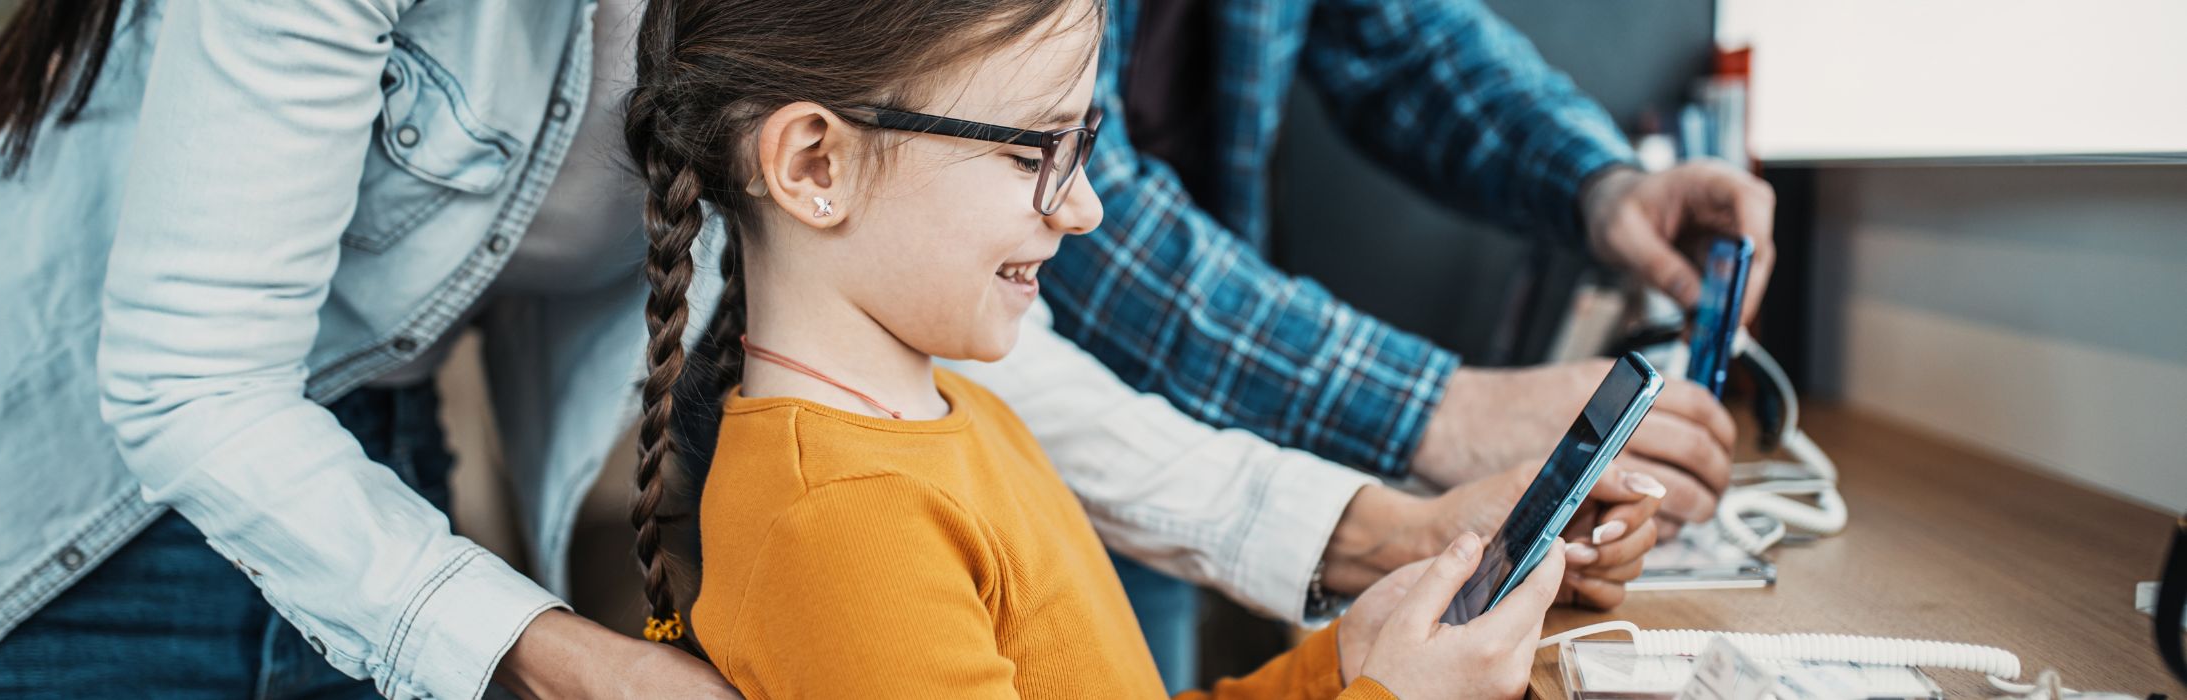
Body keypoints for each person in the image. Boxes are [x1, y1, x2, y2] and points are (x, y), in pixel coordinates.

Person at [0, 0, 1654, 697]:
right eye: (1054, 160)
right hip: (56, 519)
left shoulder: (915, 424)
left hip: (362, 446)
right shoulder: (830, 512)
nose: (1090, 211)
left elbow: (915, 300)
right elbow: (190, 379)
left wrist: (1363, 606)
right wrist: (556, 650)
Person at [621, 0, 1635, 696]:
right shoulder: (840, 532)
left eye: (1085, 146)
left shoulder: (960, 417)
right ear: (813, 165)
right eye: (1036, 150)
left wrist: (1345, 665)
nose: (1090, 208)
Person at [1044, 0, 1775, 681]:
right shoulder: (1052, 194)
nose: (1070, 200)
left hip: (1176, 442)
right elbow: (1072, 205)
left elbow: (1404, 44)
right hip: (1038, 420)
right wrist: (1441, 414)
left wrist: (1603, 184)